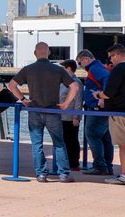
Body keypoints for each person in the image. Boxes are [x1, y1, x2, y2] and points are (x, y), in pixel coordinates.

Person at [7, 42, 78, 183]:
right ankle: (64, 174)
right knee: (59, 143)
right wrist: (65, 104)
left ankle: (41, 174)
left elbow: (11, 85)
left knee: (36, 144)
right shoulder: (57, 69)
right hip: (53, 110)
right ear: (49, 53)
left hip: (34, 110)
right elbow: (74, 86)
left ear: (35, 53)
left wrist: (22, 99)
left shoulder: (28, 69)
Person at [95, 43, 125, 186]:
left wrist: (98, 95)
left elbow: (108, 93)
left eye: (111, 57)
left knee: (123, 145)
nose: (110, 61)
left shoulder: (118, 69)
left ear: (117, 55)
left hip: (118, 112)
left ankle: (124, 176)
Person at [76, 50, 114, 175]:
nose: (80, 66)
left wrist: (103, 98)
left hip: (96, 109)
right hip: (101, 109)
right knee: (104, 138)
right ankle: (107, 166)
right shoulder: (97, 68)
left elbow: (107, 80)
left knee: (92, 134)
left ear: (86, 59)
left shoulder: (95, 69)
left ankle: (100, 166)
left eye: (80, 62)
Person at [59, 59, 84, 171]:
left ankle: (74, 163)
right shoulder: (64, 81)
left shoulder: (76, 82)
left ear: (69, 68)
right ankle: (66, 162)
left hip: (70, 116)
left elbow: (78, 100)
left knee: (72, 140)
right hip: (62, 115)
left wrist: (76, 117)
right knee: (65, 139)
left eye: (63, 68)